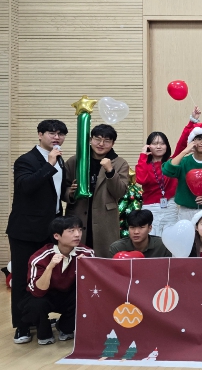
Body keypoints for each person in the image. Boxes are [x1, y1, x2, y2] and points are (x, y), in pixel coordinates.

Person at [7, 120, 68, 341]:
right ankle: (22, 325)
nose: (57, 137)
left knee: (45, 276)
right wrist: (49, 165)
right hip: (25, 231)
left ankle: (37, 318)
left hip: (50, 230)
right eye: (51, 133)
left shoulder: (59, 160)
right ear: (40, 134)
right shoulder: (26, 160)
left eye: (61, 134)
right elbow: (26, 187)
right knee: (22, 278)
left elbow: (56, 193)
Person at [16, 216, 94, 345]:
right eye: (71, 231)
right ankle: (44, 331)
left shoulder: (86, 253)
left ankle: (64, 326)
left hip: (69, 295)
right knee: (35, 305)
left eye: (80, 230)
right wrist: (50, 266)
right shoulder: (40, 256)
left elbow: (93, 286)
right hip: (45, 296)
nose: (77, 234)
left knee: (86, 297)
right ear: (57, 236)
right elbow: (38, 292)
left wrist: (86, 267)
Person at [63, 124, 130, 257]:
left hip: (105, 218)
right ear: (90, 139)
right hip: (77, 214)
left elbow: (120, 192)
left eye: (107, 141)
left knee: (103, 258)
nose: (101, 144)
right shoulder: (76, 160)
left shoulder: (120, 163)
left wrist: (110, 171)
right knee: (75, 256)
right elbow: (62, 187)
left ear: (113, 143)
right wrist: (69, 192)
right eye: (97, 139)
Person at [162, 125, 202, 221]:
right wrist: (184, 151)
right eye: (199, 139)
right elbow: (167, 170)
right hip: (185, 211)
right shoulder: (183, 162)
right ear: (192, 141)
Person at [135, 131, 178, 236]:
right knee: (151, 238)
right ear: (148, 146)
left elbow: (182, 144)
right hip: (150, 207)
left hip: (170, 206)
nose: (159, 147)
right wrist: (143, 156)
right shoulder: (144, 163)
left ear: (167, 146)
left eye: (162, 143)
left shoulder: (172, 162)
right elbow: (141, 180)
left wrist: (192, 123)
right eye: (154, 143)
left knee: (170, 238)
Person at [107, 209, 172, 258]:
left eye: (141, 227)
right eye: (132, 227)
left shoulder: (162, 245)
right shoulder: (117, 248)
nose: (136, 232)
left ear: (150, 228)